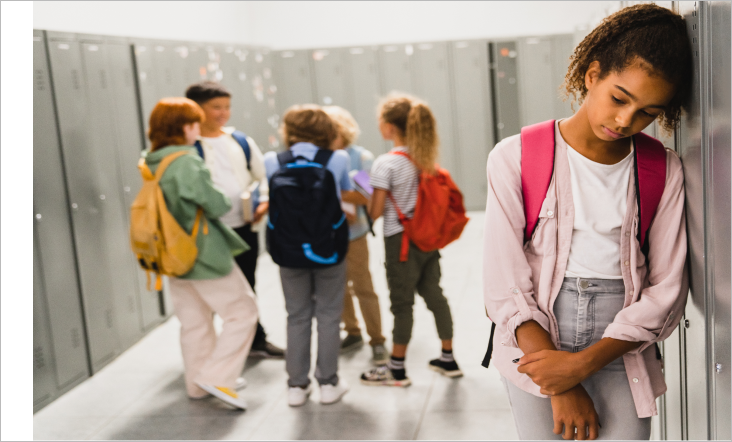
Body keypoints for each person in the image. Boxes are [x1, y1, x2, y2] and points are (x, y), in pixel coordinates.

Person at [483, 4, 692, 441]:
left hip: (623, 342)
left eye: (647, 112)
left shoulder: (663, 170)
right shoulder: (515, 157)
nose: (625, 121)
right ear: (592, 73)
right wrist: (561, 381)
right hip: (536, 333)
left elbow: (667, 288)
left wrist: (581, 364)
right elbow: (504, 282)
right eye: (619, 98)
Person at [144, 97, 259, 410]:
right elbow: (217, 204)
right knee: (243, 312)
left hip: (171, 252)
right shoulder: (186, 162)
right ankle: (218, 377)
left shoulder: (153, 159)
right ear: (184, 127)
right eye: (194, 122)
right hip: (203, 251)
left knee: (194, 321)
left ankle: (197, 384)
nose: (198, 128)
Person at [360, 93, 462, 387]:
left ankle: (396, 369)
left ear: (390, 126)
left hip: (401, 242)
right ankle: (448, 358)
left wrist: (365, 194)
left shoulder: (386, 163)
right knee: (435, 295)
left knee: (402, 305)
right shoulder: (425, 158)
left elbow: (376, 212)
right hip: (428, 240)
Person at [185, 81, 285, 359]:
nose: (223, 113)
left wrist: (263, 201)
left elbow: (261, 176)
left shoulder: (239, 141)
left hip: (243, 227)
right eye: (216, 107)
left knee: (247, 286)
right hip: (207, 232)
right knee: (210, 291)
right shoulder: (188, 147)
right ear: (196, 109)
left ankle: (255, 340)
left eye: (227, 107)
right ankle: (216, 347)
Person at [263, 104, 353, 406]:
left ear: (288, 130)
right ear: (325, 130)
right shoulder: (337, 158)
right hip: (328, 247)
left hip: (287, 249)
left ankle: (296, 387)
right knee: (329, 315)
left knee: (296, 315)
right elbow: (345, 198)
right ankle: (329, 383)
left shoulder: (272, 160)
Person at [323, 105, 389, 365]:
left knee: (363, 287)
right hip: (326, 234)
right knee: (337, 288)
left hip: (354, 234)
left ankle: (377, 340)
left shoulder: (360, 158)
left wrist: (334, 193)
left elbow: (367, 195)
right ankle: (352, 332)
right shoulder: (319, 157)